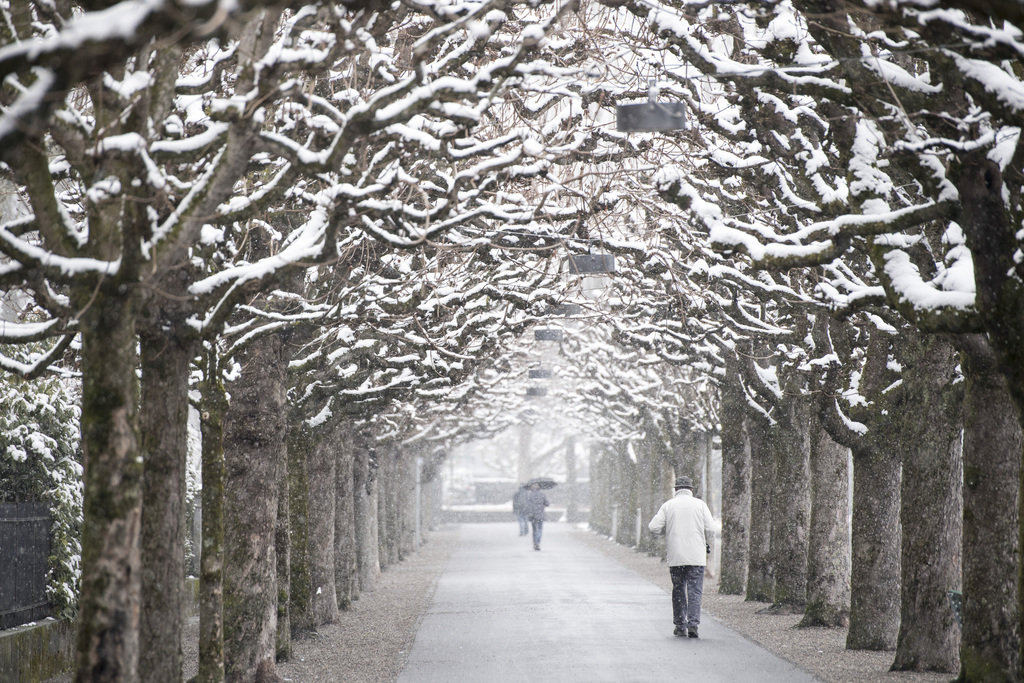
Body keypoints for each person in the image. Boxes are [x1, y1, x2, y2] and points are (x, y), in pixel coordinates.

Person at [648, 475, 715, 638]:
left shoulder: (668, 505)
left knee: (678, 590)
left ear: (676, 490)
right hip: (696, 556)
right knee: (695, 591)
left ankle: (680, 625)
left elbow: (653, 527)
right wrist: (706, 543)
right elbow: (711, 529)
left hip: (676, 556)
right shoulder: (700, 505)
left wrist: (667, 531)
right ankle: (693, 625)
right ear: (691, 490)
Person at [523, 482, 549, 551]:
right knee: (540, 529)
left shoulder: (529, 494)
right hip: (540, 514)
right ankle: (538, 542)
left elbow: (527, 505)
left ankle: (535, 543)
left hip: (533, 515)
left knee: (534, 530)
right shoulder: (542, 494)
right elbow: (547, 503)